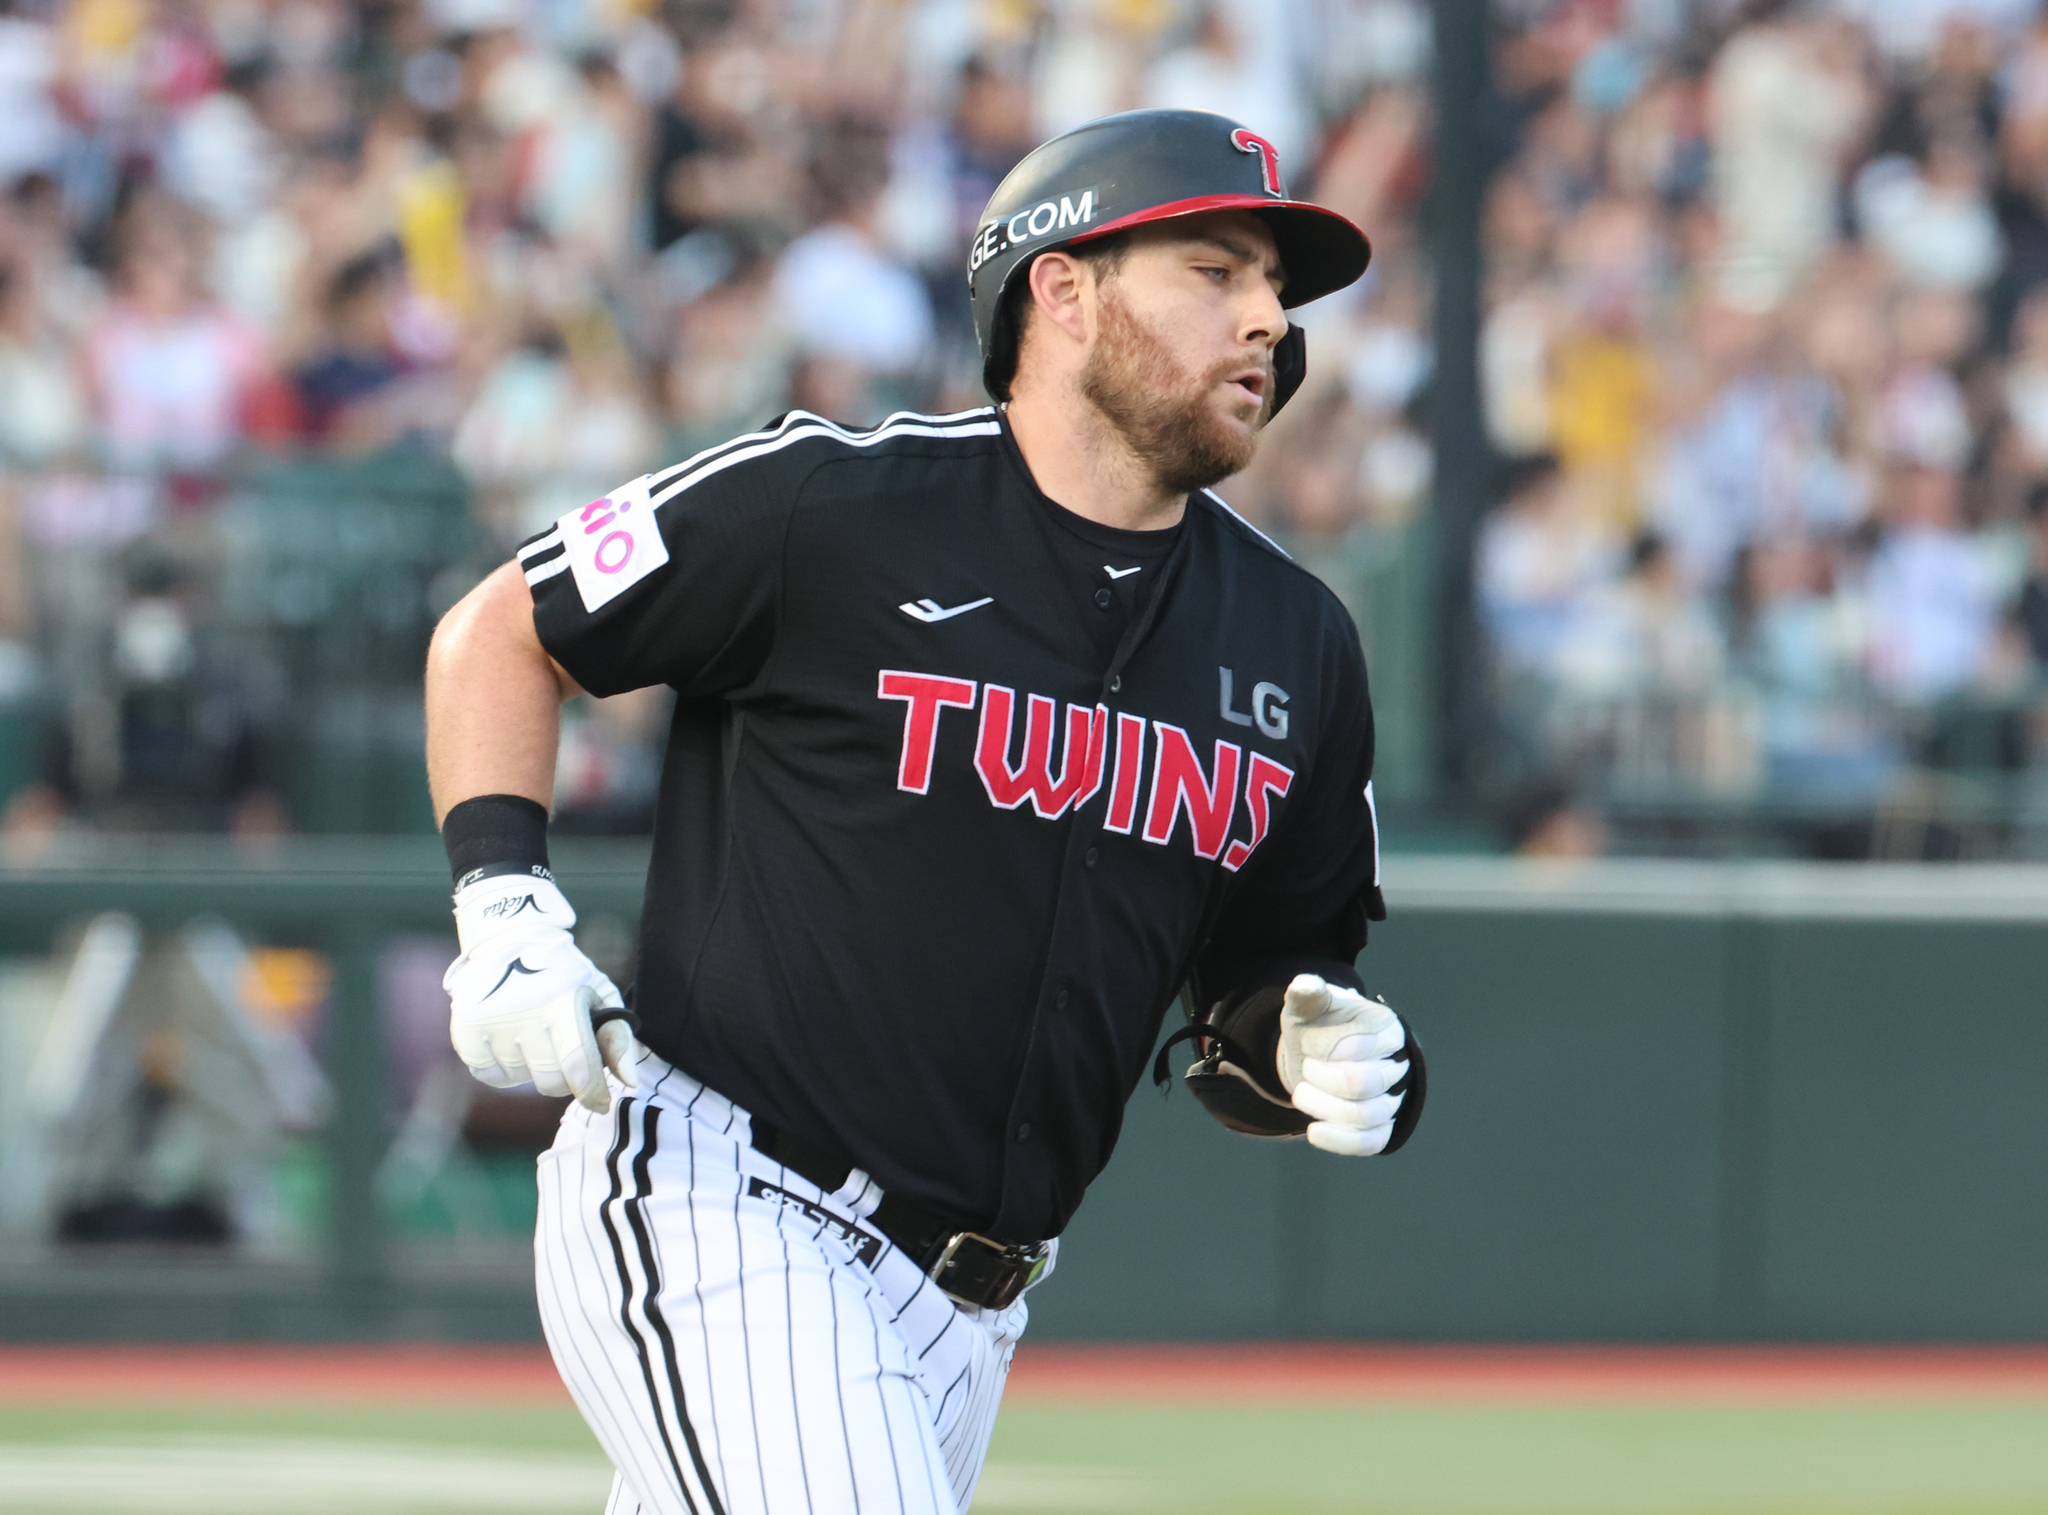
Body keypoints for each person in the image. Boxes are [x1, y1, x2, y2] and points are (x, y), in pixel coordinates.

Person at [424, 109, 1427, 1515]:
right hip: (727, 1195)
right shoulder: (835, 502)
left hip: (976, 1310)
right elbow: (500, 629)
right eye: (1216, 271)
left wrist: (1309, 1041)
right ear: (1063, 292)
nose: (1268, 317)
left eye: (1278, 289)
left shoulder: (1300, 641)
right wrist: (504, 904)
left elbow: (1259, 990)